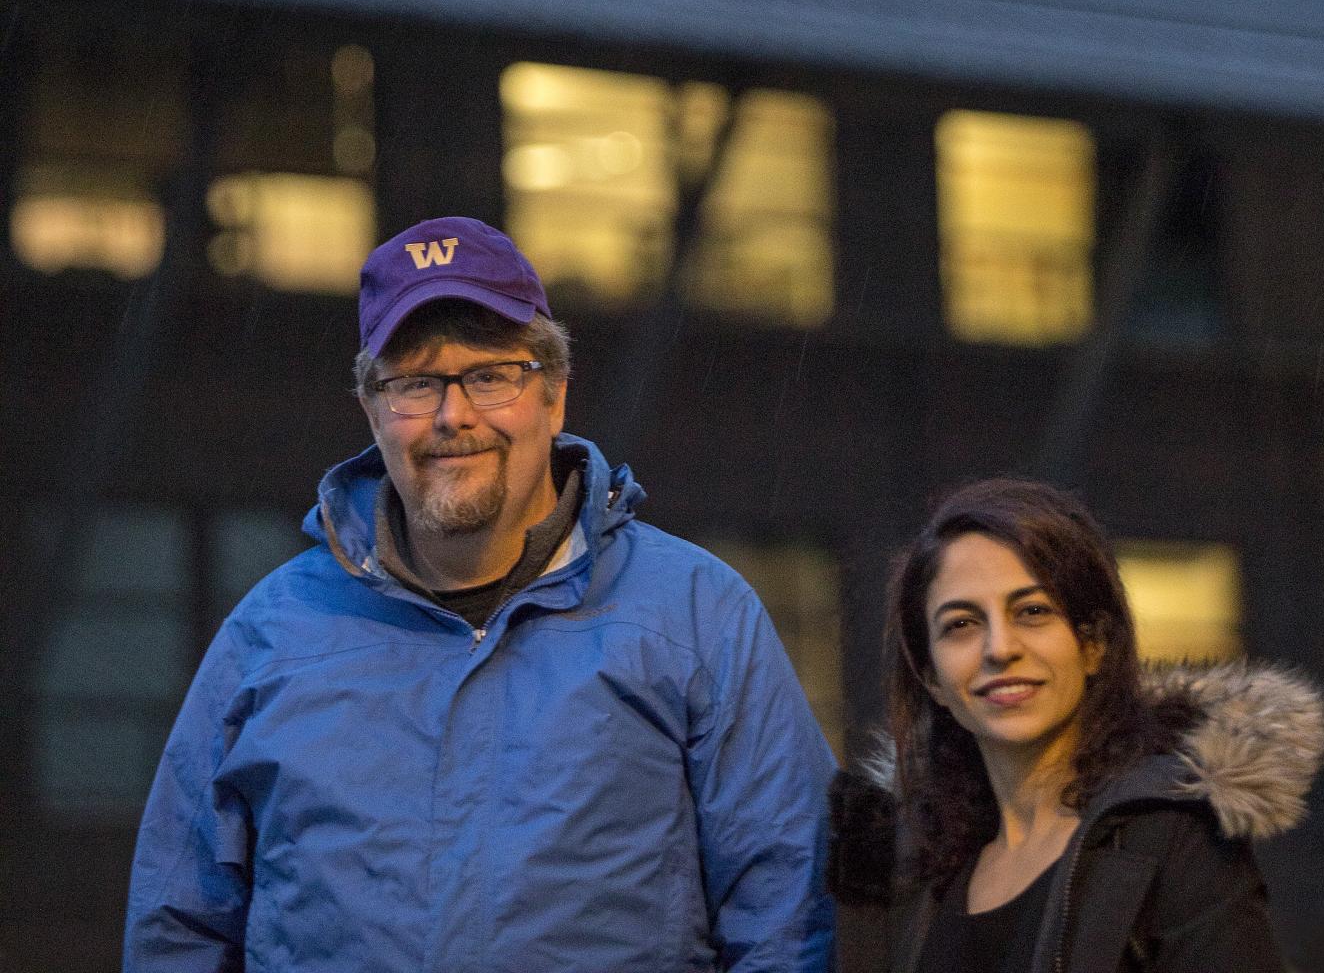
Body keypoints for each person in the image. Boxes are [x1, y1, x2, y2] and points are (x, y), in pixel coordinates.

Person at [126, 216, 836, 971]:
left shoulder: (696, 615)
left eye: (492, 376)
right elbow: (179, 925)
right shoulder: (271, 635)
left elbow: (785, 911)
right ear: (372, 409)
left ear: (554, 396)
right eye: (416, 382)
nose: (453, 415)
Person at [828, 477, 1324, 972]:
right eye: (961, 624)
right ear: (931, 677)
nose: (999, 648)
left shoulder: (1171, 836)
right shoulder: (908, 869)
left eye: (1032, 611)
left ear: (1093, 645)